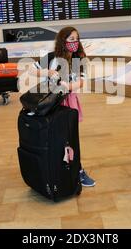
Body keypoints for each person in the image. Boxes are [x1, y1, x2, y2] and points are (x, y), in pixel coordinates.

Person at [30, 26, 95, 187]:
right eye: (71, 39)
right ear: (62, 40)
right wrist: (47, 73)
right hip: (50, 102)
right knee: (53, 138)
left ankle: (78, 170)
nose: (75, 42)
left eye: (77, 39)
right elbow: (32, 70)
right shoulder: (51, 57)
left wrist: (67, 86)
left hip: (68, 101)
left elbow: (81, 81)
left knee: (71, 138)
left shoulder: (79, 59)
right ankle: (54, 170)